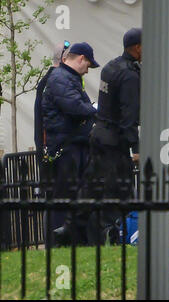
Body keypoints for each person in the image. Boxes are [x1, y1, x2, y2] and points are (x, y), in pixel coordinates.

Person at [80, 28, 142, 245]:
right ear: (137, 47)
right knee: (116, 192)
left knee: (95, 188)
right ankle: (112, 237)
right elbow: (129, 114)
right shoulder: (130, 75)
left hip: (99, 135)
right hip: (114, 142)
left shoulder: (111, 67)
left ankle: (81, 233)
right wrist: (137, 148)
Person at [41, 42, 99, 245]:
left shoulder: (67, 78)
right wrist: (96, 110)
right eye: (88, 65)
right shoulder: (61, 79)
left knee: (73, 193)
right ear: (81, 58)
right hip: (67, 147)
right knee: (64, 196)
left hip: (73, 144)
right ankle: (59, 239)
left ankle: (71, 238)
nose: (87, 71)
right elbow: (75, 106)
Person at [34, 41, 70, 165]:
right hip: (54, 152)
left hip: (48, 149)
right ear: (64, 60)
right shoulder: (56, 82)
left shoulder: (45, 82)